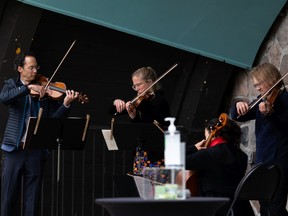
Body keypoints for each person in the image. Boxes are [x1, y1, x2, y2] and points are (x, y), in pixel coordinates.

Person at [0, 52, 79, 216]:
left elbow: (52, 120)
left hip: (36, 150)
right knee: (8, 197)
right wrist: (27, 88)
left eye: (37, 67)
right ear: (20, 69)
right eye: (31, 67)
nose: (35, 71)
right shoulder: (12, 84)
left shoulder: (45, 90)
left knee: (32, 199)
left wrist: (64, 104)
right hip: (14, 149)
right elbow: (4, 98)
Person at [230, 62, 288, 216]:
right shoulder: (261, 100)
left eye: (258, 84)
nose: (257, 88)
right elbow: (237, 116)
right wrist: (238, 104)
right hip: (263, 164)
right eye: (255, 86)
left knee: (276, 208)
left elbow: (284, 129)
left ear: (270, 78)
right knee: (264, 208)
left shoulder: (285, 99)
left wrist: (271, 115)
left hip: (280, 164)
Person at [185, 115, 254, 216]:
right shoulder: (242, 156)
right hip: (239, 209)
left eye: (205, 137)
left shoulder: (208, 154)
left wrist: (194, 147)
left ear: (212, 133)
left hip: (214, 209)